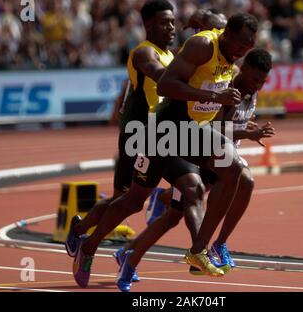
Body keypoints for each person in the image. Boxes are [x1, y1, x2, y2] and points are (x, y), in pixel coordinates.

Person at [65, 0, 226, 289]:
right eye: (165, 22)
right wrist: (192, 72)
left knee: (193, 189)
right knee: (126, 201)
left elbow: (225, 36)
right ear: (148, 25)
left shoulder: (174, 54)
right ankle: (83, 237)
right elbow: (162, 77)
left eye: (174, 22)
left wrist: (206, 26)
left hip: (165, 134)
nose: (172, 27)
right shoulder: (143, 53)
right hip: (136, 136)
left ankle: (198, 251)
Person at [116, 48, 275, 291]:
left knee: (172, 217)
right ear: (242, 70)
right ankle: (202, 246)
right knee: (181, 212)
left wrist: (247, 127)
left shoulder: (250, 95)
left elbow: (234, 124)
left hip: (219, 163)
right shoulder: (228, 90)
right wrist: (246, 132)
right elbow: (215, 128)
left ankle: (134, 250)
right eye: (254, 80)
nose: (257, 86)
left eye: (262, 82)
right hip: (204, 157)